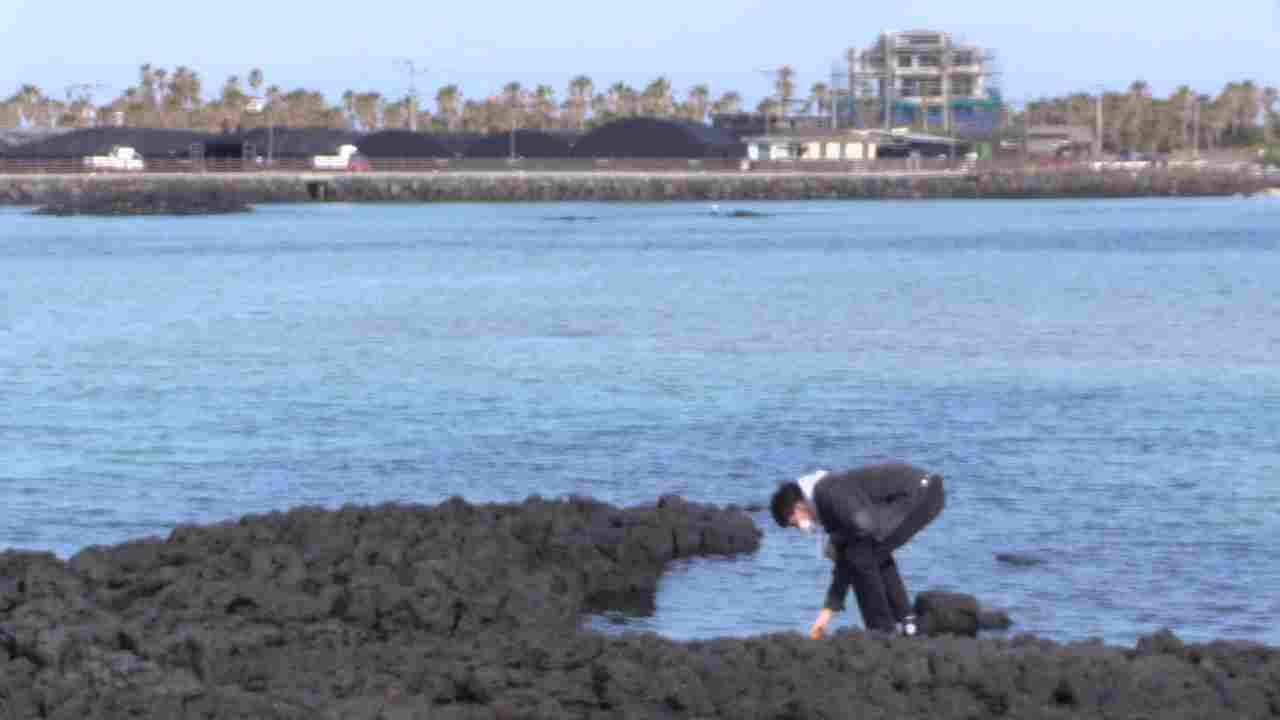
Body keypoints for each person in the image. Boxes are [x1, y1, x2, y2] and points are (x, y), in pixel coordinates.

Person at [770, 462, 945, 639]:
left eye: (794, 523)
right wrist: (825, 616)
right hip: (921, 492)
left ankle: (882, 631)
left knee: (861, 557)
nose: (799, 528)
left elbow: (862, 527)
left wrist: (841, 542)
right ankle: (909, 624)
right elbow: (849, 552)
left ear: (798, 507)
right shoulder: (822, 497)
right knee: (869, 553)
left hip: (921, 494)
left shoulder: (827, 492)